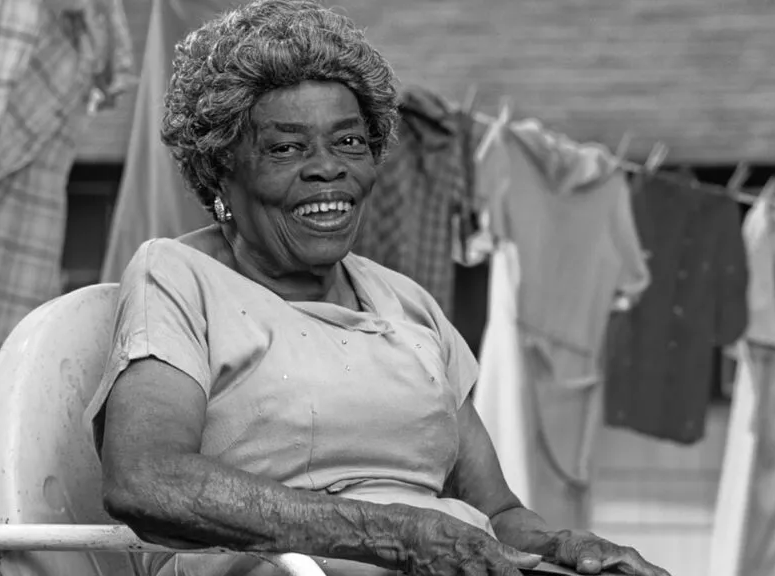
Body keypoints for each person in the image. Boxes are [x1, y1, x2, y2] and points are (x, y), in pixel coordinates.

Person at [85, 2, 670, 575]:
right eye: (286, 148)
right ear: (218, 171)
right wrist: (392, 537)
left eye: (349, 142)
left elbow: (497, 513)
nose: (328, 168)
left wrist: (561, 546)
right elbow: (145, 479)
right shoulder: (177, 277)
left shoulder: (407, 303)